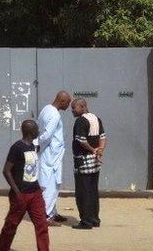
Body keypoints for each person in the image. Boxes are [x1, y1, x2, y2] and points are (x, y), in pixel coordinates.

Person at [0, 119, 49, 251]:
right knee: (11, 225)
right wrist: (17, 192)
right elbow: (6, 171)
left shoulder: (33, 146)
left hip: (35, 193)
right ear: (31, 132)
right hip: (21, 194)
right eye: (37, 130)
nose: (39, 131)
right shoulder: (17, 147)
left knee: (42, 225)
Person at [36, 90, 71, 226]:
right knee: (52, 185)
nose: (68, 106)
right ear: (62, 101)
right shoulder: (55, 115)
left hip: (49, 154)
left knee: (49, 183)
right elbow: (46, 135)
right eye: (68, 102)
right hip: (52, 155)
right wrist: (37, 144)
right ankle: (46, 216)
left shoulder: (46, 109)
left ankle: (52, 212)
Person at [70, 98, 106, 230]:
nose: (72, 111)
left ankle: (86, 221)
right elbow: (102, 137)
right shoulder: (96, 118)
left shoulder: (80, 121)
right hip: (95, 162)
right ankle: (95, 219)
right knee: (92, 190)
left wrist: (92, 149)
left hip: (83, 161)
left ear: (83, 106)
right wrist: (99, 150)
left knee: (83, 191)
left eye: (74, 108)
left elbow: (81, 140)